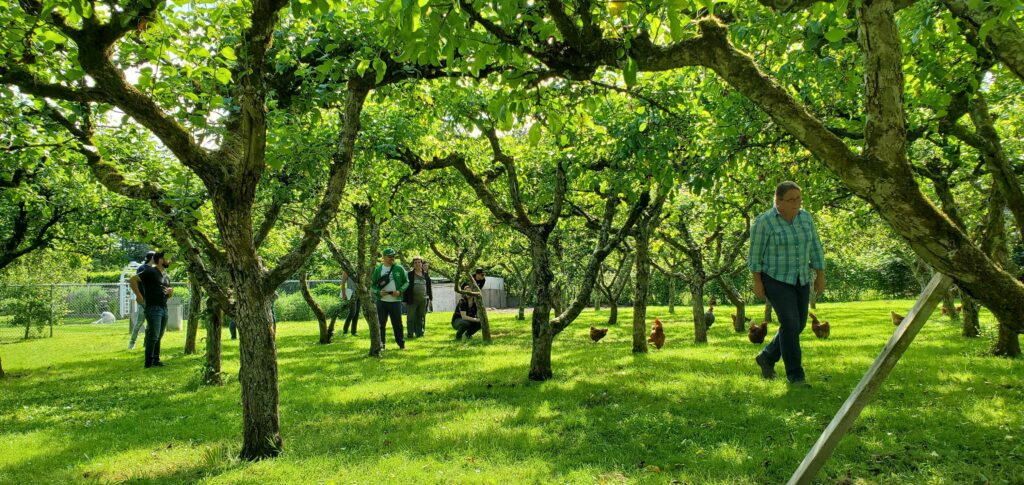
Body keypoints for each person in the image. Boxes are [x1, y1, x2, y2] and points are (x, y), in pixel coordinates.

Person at [749, 181, 826, 387]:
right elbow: (755, 256)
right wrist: (757, 282)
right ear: (778, 201)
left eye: (799, 198)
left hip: (801, 278)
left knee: (798, 324)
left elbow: (815, 246)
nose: (796, 203)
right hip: (775, 279)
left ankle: (767, 356)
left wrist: (820, 274)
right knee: (790, 324)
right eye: (791, 200)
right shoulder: (764, 222)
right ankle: (796, 376)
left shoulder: (806, 218)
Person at [138, 251, 173, 368]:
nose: (169, 261)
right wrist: (139, 296)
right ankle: (148, 363)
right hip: (153, 308)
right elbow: (133, 280)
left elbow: (168, 295)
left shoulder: (166, 276)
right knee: (153, 336)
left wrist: (170, 293)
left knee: (159, 336)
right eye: (167, 258)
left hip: (164, 308)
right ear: (160, 260)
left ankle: (156, 360)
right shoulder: (150, 271)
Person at [371, 248, 409, 349]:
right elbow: (372, 285)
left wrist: (400, 291)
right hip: (382, 301)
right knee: (381, 324)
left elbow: (407, 282)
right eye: (390, 256)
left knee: (397, 324)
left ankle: (401, 344)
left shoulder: (399, 268)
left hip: (395, 301)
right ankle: (381, 345)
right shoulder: (378, 269)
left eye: (393, 256)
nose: (392, 258)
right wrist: (378, 292)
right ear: (384, 257)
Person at [128, 251, 156, 350]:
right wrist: (139, 296)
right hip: (144, 300)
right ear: (152, 258)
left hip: (152, 301)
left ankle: (146, 343)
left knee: (151, 323)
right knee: (139, 322)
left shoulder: (154, 269)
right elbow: (135, 282)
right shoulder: (143, 268)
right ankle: (132, 343)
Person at [403, 257, 432, 339]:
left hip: (423, 300)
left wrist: (429, 299)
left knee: (420, 317)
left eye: (419, 262)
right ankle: (410, 334)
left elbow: (429, 288)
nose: (417, 264)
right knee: (411, 318)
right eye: (415, 262)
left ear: (421, 264)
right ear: (413, 264)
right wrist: (404, 300)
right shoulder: (409, 275)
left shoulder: (425, 275)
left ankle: (419, 334)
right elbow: (405, 288)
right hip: (412, 300)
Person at [340, 271, 359, 336]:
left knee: (356, 313)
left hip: (359, 294)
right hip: (351, 294)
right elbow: (343, 283)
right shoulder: (346, 271)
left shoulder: (359, 269)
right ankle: (344, 331)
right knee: (352, 312)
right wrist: (343, 293)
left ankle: (354, 332)